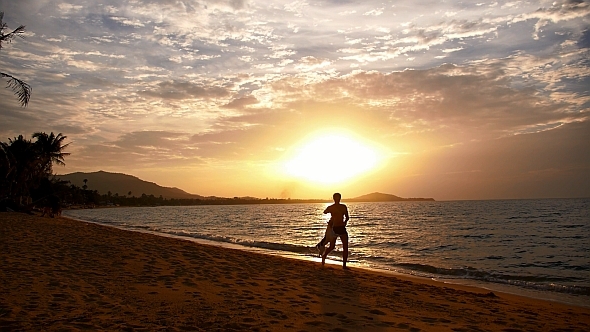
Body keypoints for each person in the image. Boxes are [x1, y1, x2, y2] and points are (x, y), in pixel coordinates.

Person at [321, 192, 350, 268]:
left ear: (340, 198)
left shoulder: (343, 207)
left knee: (345, 246)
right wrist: (328, 211)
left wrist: (345, 222)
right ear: (333, 199)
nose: (337, 199)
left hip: (342, 228)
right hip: (334, 228)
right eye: (335, 198)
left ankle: (344, 265)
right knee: (332, 246)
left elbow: (347, 217)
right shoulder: (331, 207)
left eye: (338, 198)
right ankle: (324, 255)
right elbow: (324, 212)